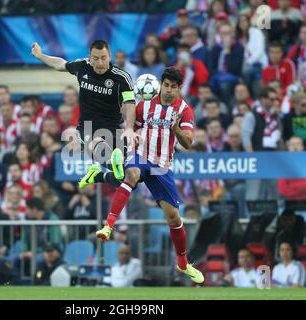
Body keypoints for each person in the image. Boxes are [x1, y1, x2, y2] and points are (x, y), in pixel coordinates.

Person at [96, 67, 204, 284]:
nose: (169, 90)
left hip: (162, 166)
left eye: (174, 87)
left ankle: (183, 263)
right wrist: (131, 135)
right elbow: (130, 127)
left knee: (173, 217)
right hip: (140, 155)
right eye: (166, 85)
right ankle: (108, 225)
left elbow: (189, 142)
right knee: (132, 173)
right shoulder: (144, 105)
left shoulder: (184, 109)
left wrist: (177, 130)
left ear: (178, 88)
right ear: (160, 84)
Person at [31, 39, 137, 189]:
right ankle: (111, 163)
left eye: (103, 58)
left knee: (129, 178)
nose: (100, 63)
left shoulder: (121, 77)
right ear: (89, 57)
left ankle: (97, 175)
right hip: (88, 127)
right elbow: (61, 64)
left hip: (114, 129)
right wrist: (40, 56)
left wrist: (129, 128)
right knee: (95, 144)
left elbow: (130, 104)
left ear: (110, 57)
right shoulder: (82, 66)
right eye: (95, 58)